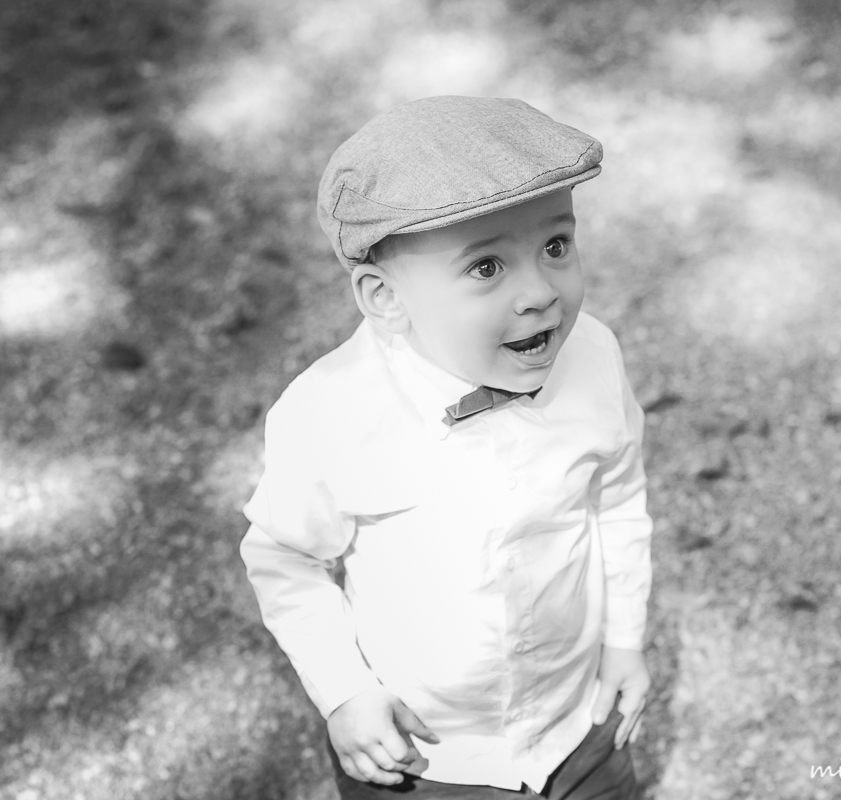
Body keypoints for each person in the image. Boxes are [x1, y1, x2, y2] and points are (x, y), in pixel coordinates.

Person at [240, 96, 653, 799]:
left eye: (556, 246)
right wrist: (346, 692)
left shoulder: (593, 358)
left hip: (576, 722)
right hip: (427, 755)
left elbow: (617, 502)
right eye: (486, 267)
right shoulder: (330, 415)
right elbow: (287, 560)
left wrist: (623, 640)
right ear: (385, 298)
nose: (539, 293)